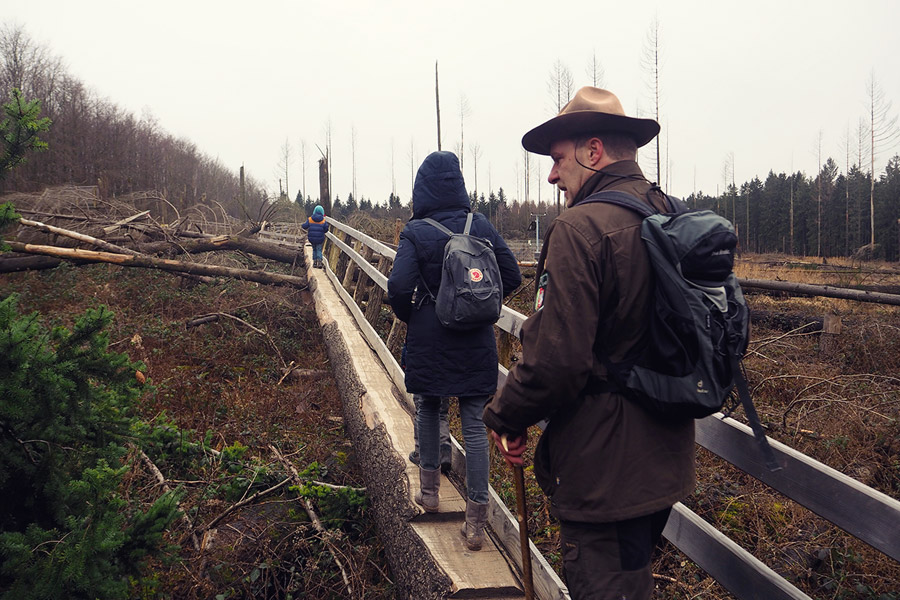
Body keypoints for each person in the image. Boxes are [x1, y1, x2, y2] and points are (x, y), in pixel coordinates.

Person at [482, 87, 696, 599]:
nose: (553, 176)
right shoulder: (671, 214)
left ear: (592, 151)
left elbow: (556, 361)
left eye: (558, 160)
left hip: (605, 473)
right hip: (663, 461)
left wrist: (505, 415)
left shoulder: (579, 229)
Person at [388, 150, 522, 551]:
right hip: (476, 339)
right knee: (476, 423)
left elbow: (397, 286)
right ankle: (477, 524)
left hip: (429, 335)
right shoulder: (477, 224)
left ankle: (430, 493)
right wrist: (480, 305)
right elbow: (511, 274)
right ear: (458, 183)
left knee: (429, 405)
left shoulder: (416, 230)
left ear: (422, 187)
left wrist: (413, 314)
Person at [401, 342, 452, 473]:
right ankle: (444, 449)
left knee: (423, 409)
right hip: (446, 363)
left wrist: (405, 361)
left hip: (423, 360)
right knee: (441, 412)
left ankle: (420, 452)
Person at [302, 204, 329, 268]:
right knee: (319, 249)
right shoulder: (323, 220)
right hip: (320, 238)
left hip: (312, 238)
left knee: (314, 249)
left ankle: (314, 262)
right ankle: (319, 262)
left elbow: (305, 226)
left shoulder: (310, 219)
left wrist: (303, 225)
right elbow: (326, 229)